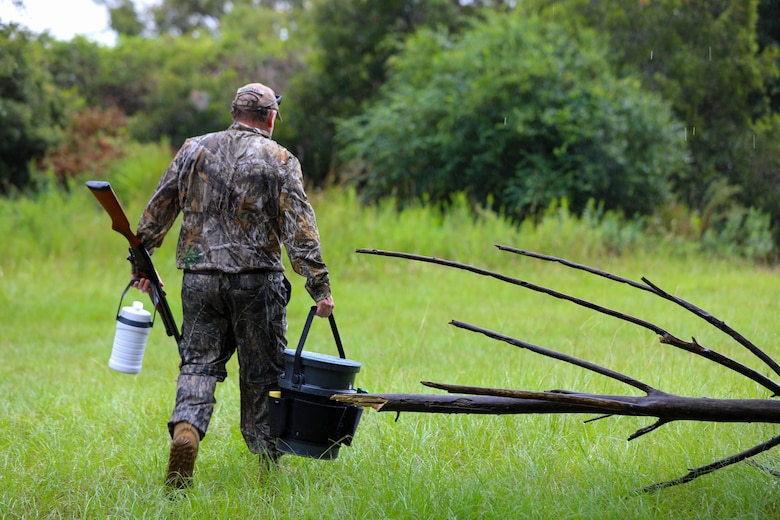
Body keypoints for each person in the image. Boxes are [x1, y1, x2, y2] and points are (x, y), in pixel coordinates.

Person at [131, 82, 334, 489]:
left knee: (198, 364)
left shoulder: (193, 149)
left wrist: (142, 263)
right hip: (257, 282)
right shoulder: (279, 159)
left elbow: (158, 208)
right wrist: (319, 286)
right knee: (263, 374)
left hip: (200, 279)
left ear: (233, 112)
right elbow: (300, 230)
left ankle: (187, 430)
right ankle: (269, 465)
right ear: (270, 116)